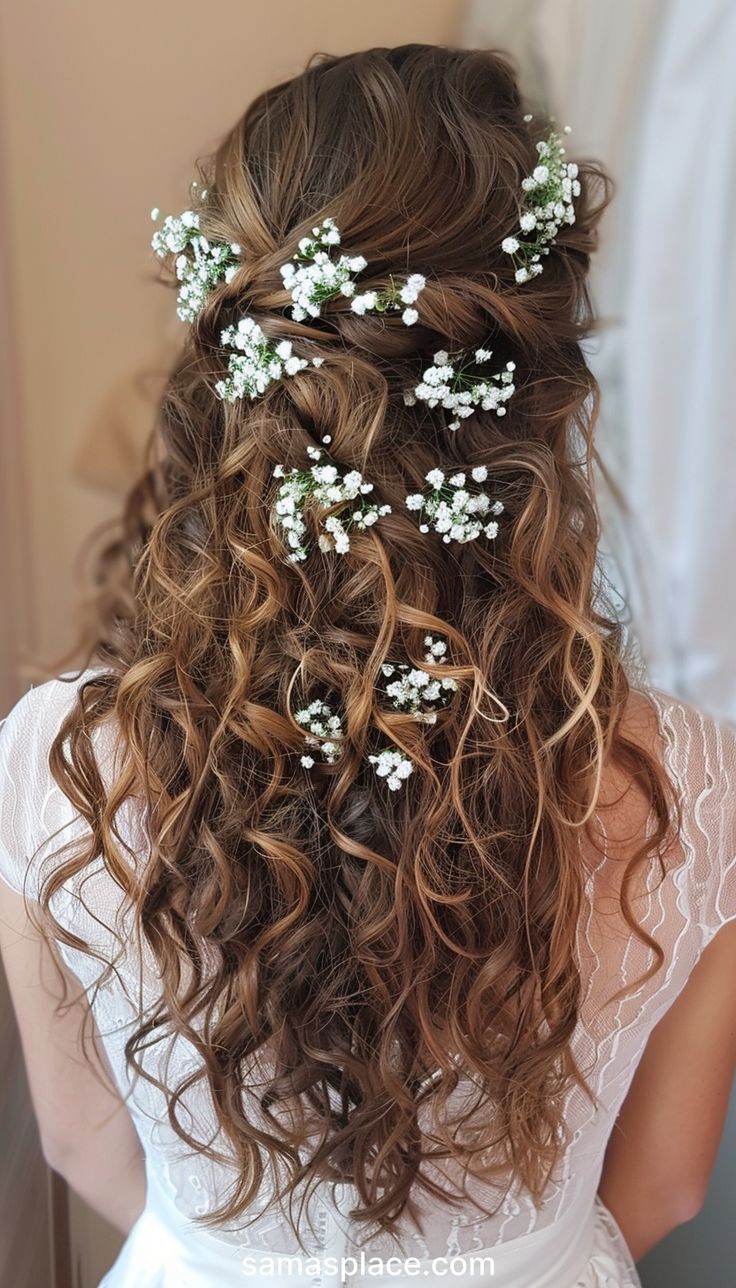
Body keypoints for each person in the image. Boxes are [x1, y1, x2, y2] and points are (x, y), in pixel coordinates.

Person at [1, 43, 735, 1288]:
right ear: (543, 387)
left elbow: (83, 1146)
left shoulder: (59, 756)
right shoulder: (688, 782)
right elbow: (662, 1185)